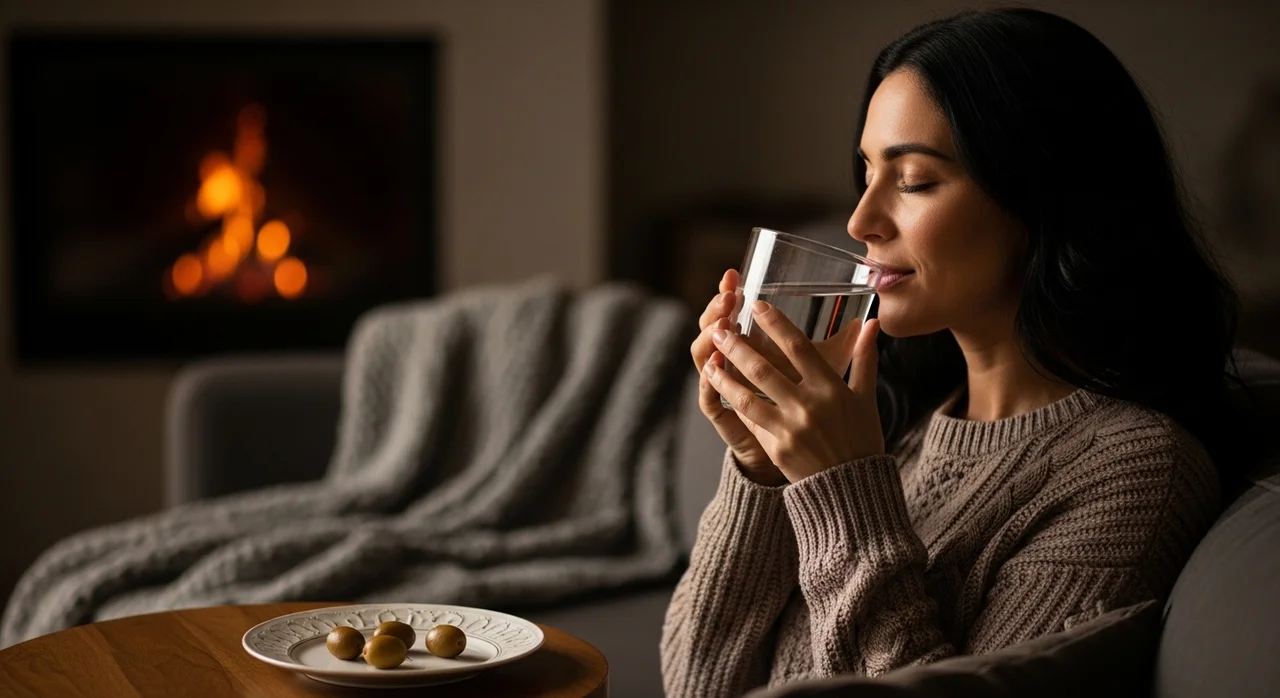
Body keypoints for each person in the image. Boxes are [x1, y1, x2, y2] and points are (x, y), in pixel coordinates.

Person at [661, 8, 1249, 697]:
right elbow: (698, 683)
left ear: (1040, 201)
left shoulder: (1136, 472)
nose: (860, 221)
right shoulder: (899, 422)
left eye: (912, 180)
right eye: (866, 172)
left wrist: (844, 485)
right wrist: (761, 470)